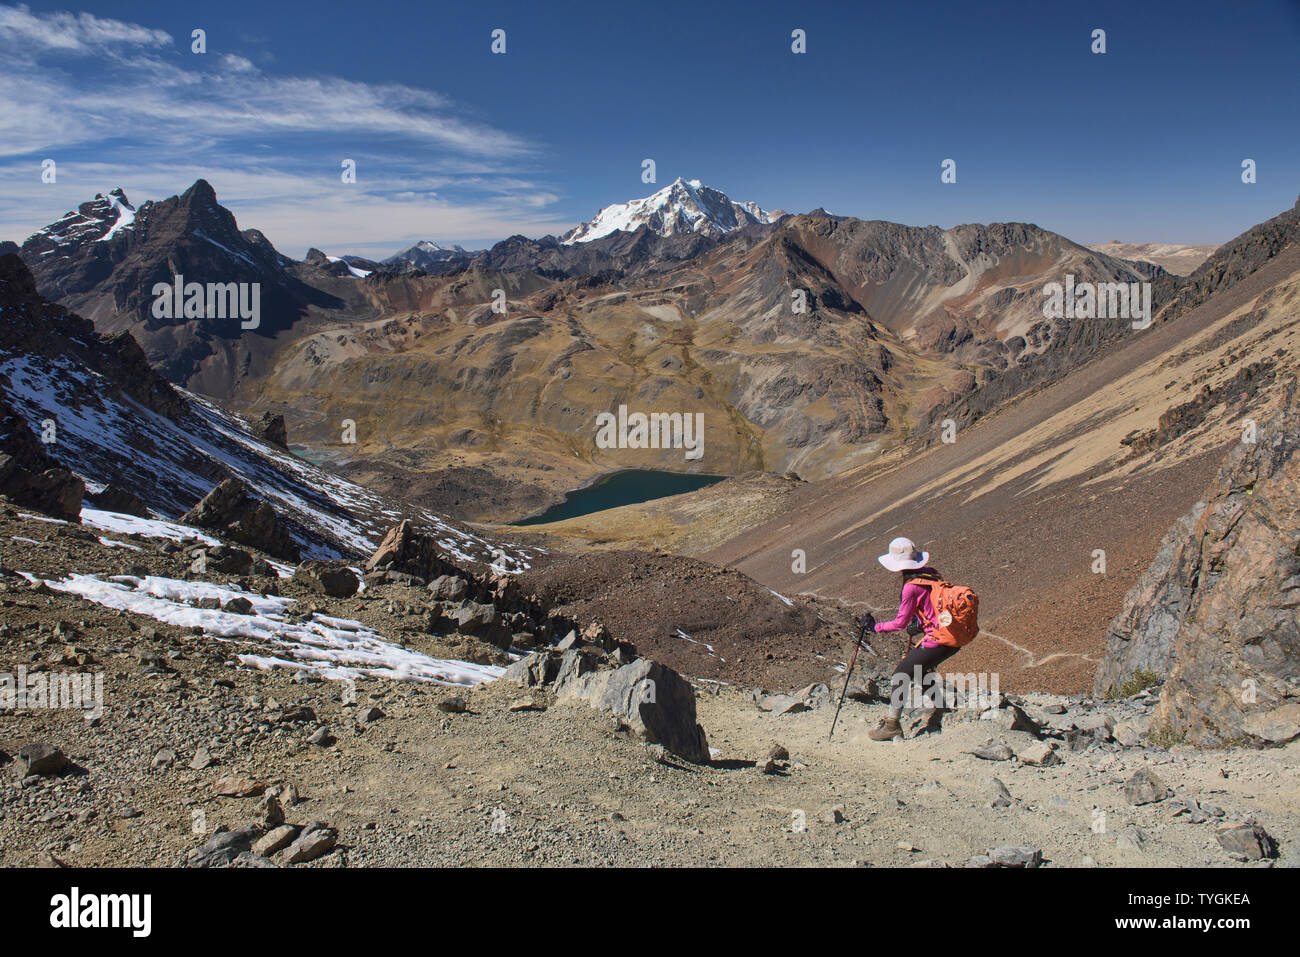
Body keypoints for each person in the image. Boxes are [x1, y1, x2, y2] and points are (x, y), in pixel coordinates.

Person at [858, 537, 959, 742]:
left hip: (938, 639)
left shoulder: (910, 586)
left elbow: (899, 623)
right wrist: (921, 624)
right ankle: (942, 711)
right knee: (920, 672)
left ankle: (892, 725)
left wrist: (874, 627)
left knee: (900, 675)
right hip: (953, 637)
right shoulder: (931, 575)